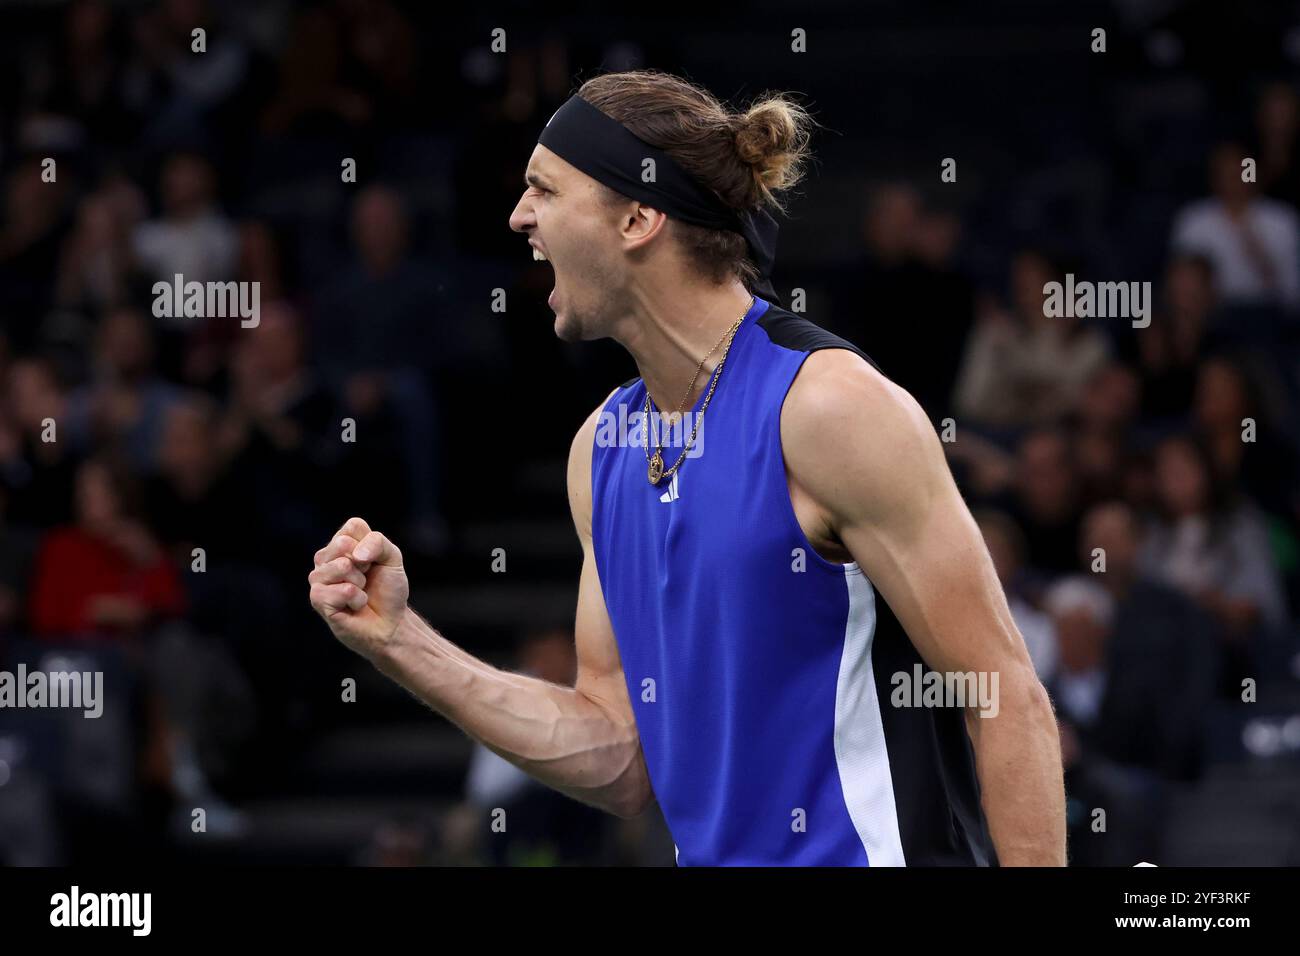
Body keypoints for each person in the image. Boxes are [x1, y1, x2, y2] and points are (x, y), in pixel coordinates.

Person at [309, 70, 1065, 866]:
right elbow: (617, 751)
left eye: (544, 189)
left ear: (637, 217)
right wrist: (401, 643)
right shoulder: (601, 449)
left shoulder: (828, 410)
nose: (518, 216)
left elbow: (1004, 694)